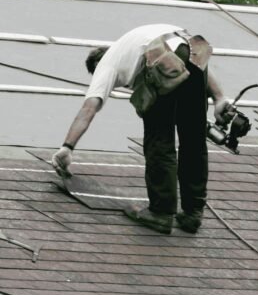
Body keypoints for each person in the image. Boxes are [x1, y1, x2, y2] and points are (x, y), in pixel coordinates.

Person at [51, 23, 234, 235]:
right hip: (192, 50)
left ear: (96, 64)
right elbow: (188, 59)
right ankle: (193, 214)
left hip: (162, 58)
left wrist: (67, 147)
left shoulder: (106, 64)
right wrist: (219, 98)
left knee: (159, 140)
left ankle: (161, 213)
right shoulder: (132, 42)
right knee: (193, 138)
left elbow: (89, 107)